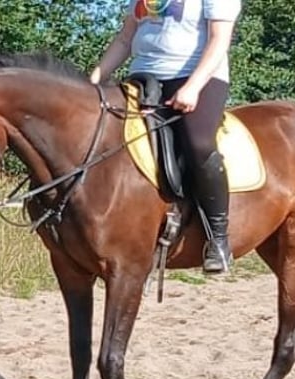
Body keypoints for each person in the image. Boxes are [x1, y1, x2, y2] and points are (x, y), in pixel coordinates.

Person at [90, 0, 242, 273]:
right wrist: (95, 79)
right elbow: (125, 39)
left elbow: (220, 40)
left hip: (196, 77)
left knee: (198, 143)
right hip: (142, 78)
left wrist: (193, 87)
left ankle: (218, 238)